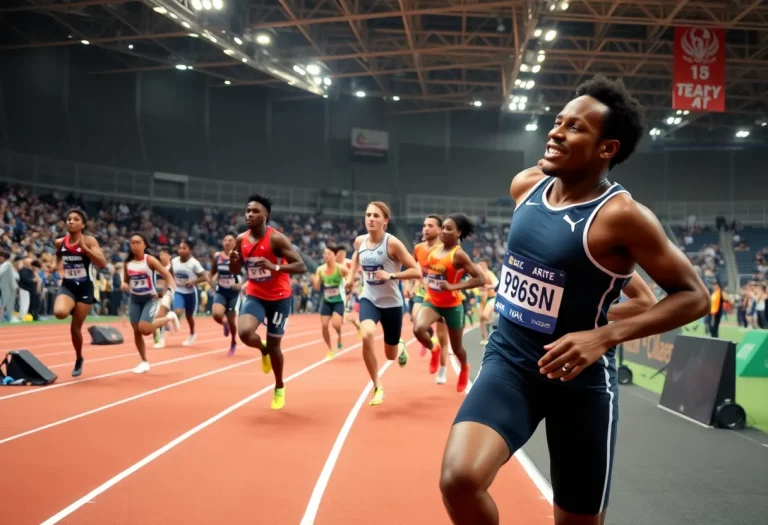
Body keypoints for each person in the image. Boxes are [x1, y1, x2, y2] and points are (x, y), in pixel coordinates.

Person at [439, 75, 710, 525]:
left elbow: (694, 297)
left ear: (608, 148)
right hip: (510, 365)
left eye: (575, 127)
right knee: (459, 480)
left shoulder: (622, 217)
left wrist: (603, 335)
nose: (555, 132)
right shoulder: (526, 186)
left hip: (579, 385)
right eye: (557, 121)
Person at [229, 194, 307, 410]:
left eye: (255, 211)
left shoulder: (276, 239)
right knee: (244, 333)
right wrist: (233, 263)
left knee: (275, 347)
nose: (249, 214)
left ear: (265, 216)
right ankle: (260, 348)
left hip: (279, 298)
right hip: (255, 294)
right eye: (247, 211)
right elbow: (237, 270)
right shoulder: (240, 240)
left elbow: (301, 266)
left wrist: (275, 267)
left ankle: (279, 386)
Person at [345, 201, 421, 406]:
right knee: (367, 334)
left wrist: (392, 275)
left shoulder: (392, 244)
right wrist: (351, 277)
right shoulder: (360, 241)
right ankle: (377, 385)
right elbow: (355, 258)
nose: (370, 219)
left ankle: (400, 345)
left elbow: (417, 271)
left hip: (392, 304)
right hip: (369, 298)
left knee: (391, 354)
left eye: (376, 216)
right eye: (368, 215)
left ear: (385, 221)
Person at [413, 214, 485, 393]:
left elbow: (480, 278)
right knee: (418, 329)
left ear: (458, 232)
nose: (444, 231)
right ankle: (434, 349)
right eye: (443, 227)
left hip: (452, 306)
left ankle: (464, 368)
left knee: (456, 347)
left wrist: (454, 286)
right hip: (432, 301)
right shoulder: (433, 251)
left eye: (449, 229)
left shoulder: (459, 255)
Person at [52, 209, 107, 377]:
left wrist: (85, 249)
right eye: (68, 219)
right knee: (60, 313)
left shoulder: (89, 241)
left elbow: (102, 263)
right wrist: (56, 267)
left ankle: (79, 358)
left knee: (75, 328)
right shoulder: (60, 242)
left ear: (82, 225)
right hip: (68, 285)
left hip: (85, 287)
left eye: (75, 219)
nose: (71, 221)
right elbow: (58, 256)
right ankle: (71, 306)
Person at [122, 234, 180, 373]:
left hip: (151, 299)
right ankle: (144, 361)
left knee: (145, 329)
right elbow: (126, 280)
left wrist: (169, 291)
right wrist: (124, 284)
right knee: (137, 331)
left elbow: (167, 275)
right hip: (135, 299)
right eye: (132, 242)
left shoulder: (150, 260)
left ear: (144, 245)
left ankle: (169, 317)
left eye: (137, 242)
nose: (134, 245)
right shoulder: (127, 263)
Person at [410, 215, 451, 383]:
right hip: (424, 292)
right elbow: (414, 267)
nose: (425, 229)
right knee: (415, 318)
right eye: (424, 225)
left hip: (443, 297)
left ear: (440, 229)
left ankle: (442, 369)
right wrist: (410, 285)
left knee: (443, 337)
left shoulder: (448, 249)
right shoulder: (418, 248)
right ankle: (430, 342)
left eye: (430, 225)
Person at [311, 246, 350, 359]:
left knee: (336, 324)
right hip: (327, 301)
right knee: (324, 326)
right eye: (324, 254)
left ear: (334, 255)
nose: (325, 256)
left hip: (338, 301)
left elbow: (350, 276)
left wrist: (348, 282)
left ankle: (339, 335)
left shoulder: (340, 268)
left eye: (328, 253)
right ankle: (330, 349)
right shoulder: (320, 269)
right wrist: (315, 281)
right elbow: (317, 287)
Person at [171, 239, 209, 346]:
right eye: (179, 248)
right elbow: (169, 273)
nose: (180, 250)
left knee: (189, 316)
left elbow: (204, 277)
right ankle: (168, 326)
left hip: (190, 293)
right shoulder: (174, 261)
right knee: (177, 311)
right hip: (178, 290)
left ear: (190, 250)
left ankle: (192, 333)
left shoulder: (194, 263)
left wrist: (193, 281)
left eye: (184, 248)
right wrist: (171, 281)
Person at [211, 234, 242, 355]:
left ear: (235, 243)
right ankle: (224, 324)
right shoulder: (217, 256)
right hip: (221, 290)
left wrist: (241, 285)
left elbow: (248, 275)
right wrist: (212, 280)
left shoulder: (240, 257)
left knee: (232, 320)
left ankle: (233, 342)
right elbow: (212, 272)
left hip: (234, 293)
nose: (227, 242)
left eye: (230, 240)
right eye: (225, 240)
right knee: (216, 314)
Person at [152, 247, 173, 349]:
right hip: (155, 295)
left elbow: (167, 283)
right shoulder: (156, 268)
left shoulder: (172, 268)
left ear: (169, 256)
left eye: (163, 254)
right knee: (152, 317)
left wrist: (162, 294)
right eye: (160, 255)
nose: (161, 257)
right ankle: (169, 319)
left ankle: (161, 339)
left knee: (159, 315)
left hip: (168, 294)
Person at [477, 259, 499, 345]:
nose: (480, 266)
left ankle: (493, 330)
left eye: (482, 264)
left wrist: (488, 287)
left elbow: (496, 284)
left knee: (485, 315)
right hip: (481, 298)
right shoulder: (478, 275)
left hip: (491, 297)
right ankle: (485, 337)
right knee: (482, 318)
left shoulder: (489, 274)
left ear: (486, 264)